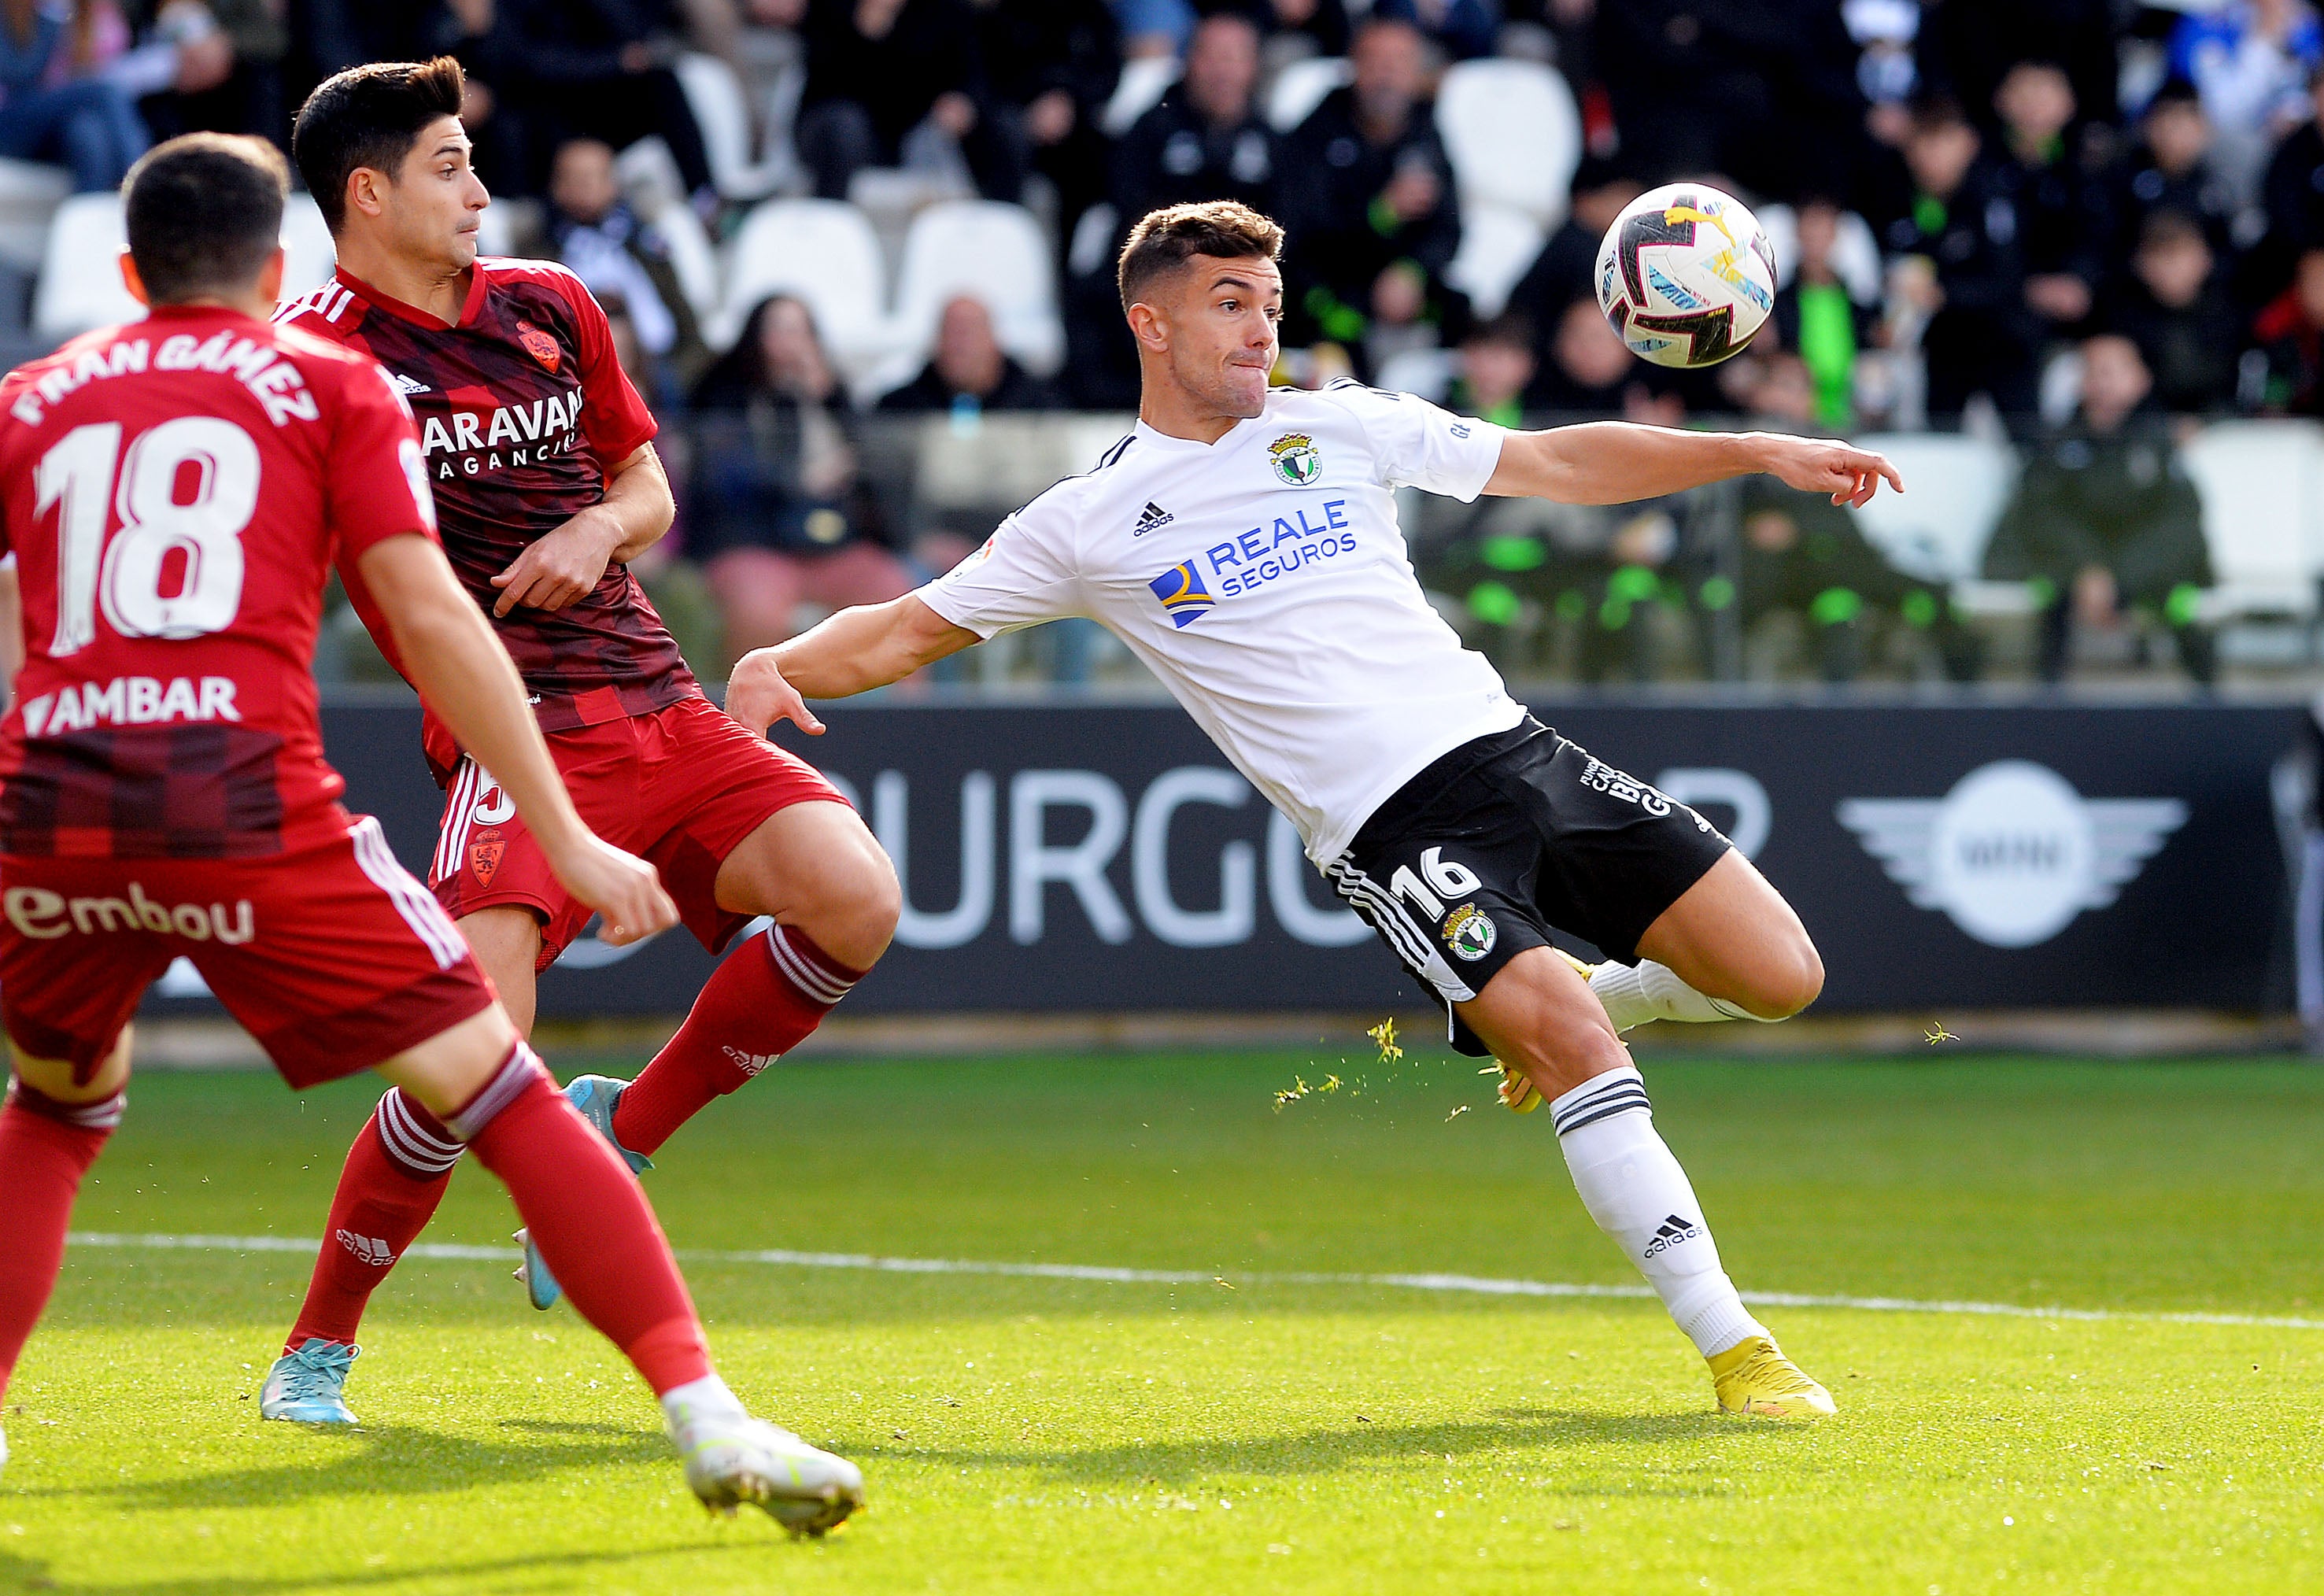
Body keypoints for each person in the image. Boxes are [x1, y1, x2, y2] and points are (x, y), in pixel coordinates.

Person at [723, 198, 1909, 1417]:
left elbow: (1556, 461)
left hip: (1514, 751)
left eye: (1271, 307)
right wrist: (781, 663)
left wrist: (1756, 449)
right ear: (1150, 322)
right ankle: (1738, 1350)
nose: (1260, 332)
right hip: (1395, 834)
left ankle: (1610, 998)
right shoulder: (1087, 522)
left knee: (1781, 976)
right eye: (1230, 306)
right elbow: (909, 628)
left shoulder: (1340, 425)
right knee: (1569, 1046)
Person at [0, 131, 862, 1527]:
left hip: (54, 801)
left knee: (53, 1107)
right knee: (501, 1087)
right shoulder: (326, 373)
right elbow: (427, 610)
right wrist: (568, 833)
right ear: (279, 259)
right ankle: (701, 1409)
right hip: (241, 789)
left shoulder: (32, 396)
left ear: (123, 271)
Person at [263, 58, 901, 1418]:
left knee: (856, 893)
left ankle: (630, 1124)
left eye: (474, 162)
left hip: (658, 699)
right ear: (365, 194)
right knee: (465, 1055)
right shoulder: (314, 357)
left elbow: (645, 478)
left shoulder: (553, 303)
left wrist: (597, 527)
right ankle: (316, 1347)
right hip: (516, 737)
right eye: (448, 166)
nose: (481, 189)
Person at [693, 294, 918, 660]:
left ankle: (896, 716)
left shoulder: (830, 395)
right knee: (759, 617)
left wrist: (827, 400)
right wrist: (798, 483)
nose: (789, 344)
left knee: (893, 595)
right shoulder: (724, 392)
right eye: (778, 329)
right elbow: (722, 478)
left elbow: (871, 466)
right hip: (753, 542)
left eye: (800, 331)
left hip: (832, 546)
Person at [1986, 333, 2216, 685]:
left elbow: (2182, 523)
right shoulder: (2055, 443)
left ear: (2140, 380)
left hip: (2143, 573)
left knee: (2182, 598)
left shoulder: (2158, 445)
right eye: (2093, 371)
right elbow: (2039, 518)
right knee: (2048, 591)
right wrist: (2086, 570)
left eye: (2114, 371)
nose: (2102, 382)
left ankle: (2208, 707)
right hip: (2067, 574)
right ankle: (2046, 705)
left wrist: (2119, 580)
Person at [1274, 16, 1465, 358]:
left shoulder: (1426, 133)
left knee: (1466, 316)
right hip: (1332, 294)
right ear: (1353, 67)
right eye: (1376, 62)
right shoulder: (1314, 134)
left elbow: (1449, 229)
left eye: (1400, 63)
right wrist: (1380, 214)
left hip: (1406, 289)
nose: (1387, 76)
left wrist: (1413, 271)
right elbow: (1301, 235)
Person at [877, 293, 1063, 415]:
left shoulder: (1039, 407)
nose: (961, 345)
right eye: (952, 332)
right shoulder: (900, 409)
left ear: (995, 340)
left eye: (970, 332)